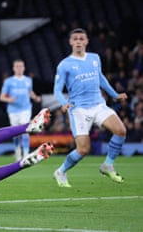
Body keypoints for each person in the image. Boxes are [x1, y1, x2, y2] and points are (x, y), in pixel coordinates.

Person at [53, 28, 127, 188]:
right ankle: (61, 171)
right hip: (79, 109)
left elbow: (100, 78)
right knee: (84, 150)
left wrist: (114, 94)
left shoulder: (95, 58)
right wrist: (63, 102)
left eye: (81, 38)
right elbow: (57, 89)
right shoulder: (64, 64)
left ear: (86, 41)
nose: (78, 41)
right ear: (70, 42)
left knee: (121, 130)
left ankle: (107, 165)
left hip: (99, 105)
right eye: (75, 39)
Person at [0, 59, 41, 161]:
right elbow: (1, 97)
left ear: (24, 67)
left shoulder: (28, 80)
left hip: (25, 109)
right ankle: (18, 152)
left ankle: (26, 154)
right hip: (13, 110)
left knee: (25, 130)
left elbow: (30, 92)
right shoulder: (8, 81)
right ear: (13, 68)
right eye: (17, 66)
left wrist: (35, 97)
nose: (19, 68)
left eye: (21, 66)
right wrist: (9, 99)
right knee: (16, 132)